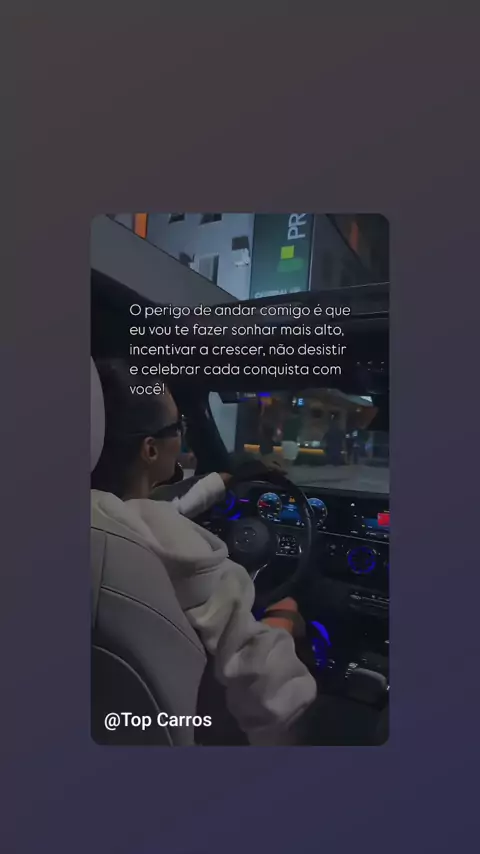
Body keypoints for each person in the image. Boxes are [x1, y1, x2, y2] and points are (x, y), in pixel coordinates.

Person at [91, 359, 317, 746]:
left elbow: (169, 505)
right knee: (289, 607)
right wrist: (283, 620)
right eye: (177, 427)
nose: (183, 434)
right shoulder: (179, 546)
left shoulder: (98, 514)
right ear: (150, 450)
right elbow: (269, 690)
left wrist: (228, 478)